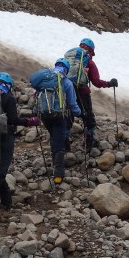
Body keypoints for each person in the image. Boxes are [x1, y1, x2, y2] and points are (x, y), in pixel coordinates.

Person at [0, 72, 39, 215]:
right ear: (8, 85)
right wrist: (29, 121)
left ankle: (6, 199)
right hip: (4, 137)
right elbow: (13, 120)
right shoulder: (8, 98)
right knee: (1, 171)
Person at [40, 58, 82, 186]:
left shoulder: (45, 78)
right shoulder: (67, 82)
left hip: (44, 114)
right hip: (59, 115)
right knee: (58, 143)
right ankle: (58, 173)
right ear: (66, 69)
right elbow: (72, 103)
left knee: (54, 136)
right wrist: (80, 113)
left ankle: (55, 159)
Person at [71, 38, 118, 150]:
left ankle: (64, 143)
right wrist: (110, 84)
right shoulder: (90, 63)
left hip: (68, 92)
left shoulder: (70, 60)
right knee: (88, 118)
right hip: (83, 93)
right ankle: (89, 143)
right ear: (91, 51)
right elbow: (96, 82)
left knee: (69, 115)